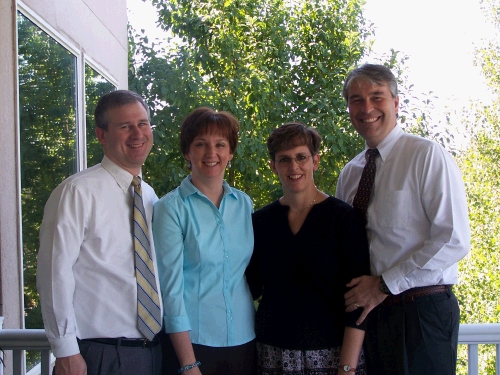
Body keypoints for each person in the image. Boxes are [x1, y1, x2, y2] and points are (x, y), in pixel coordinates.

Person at [335, 63, 471, 375]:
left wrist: (384, 284)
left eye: (376, 97)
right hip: (370, 316)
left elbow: (453, 240)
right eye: (356, 99)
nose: (366, 107)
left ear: (396, 103)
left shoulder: (427, 156)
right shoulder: (351, 172)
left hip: (421, 312)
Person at [37, 90, 163, 375]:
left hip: (152, 353)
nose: (137, 134)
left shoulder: (149, 197)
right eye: (125, 126)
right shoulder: (77, 192)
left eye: (143, 124)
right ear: (101, 135)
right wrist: (66, 350)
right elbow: (54, 273)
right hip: (98, 355)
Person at [246, 122, 371, 375]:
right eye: (284, 160)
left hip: (333, 356)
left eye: (301, 157)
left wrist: (347, 367)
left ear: (315, 161)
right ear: (273, 166)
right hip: (273, 355)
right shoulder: (260, 222)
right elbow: (250, 286)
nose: (294, 167)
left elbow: (359, 300)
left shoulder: (343, 219)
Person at [152, 107, 256, 375]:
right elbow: (171, 290)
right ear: (187, 152)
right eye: (201, 144)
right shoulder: (171, 208)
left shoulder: (244, 204)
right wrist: (188, 363)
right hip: (193, 346)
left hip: (244, 341)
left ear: (230, 153)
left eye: (220, 144)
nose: (212, 153)